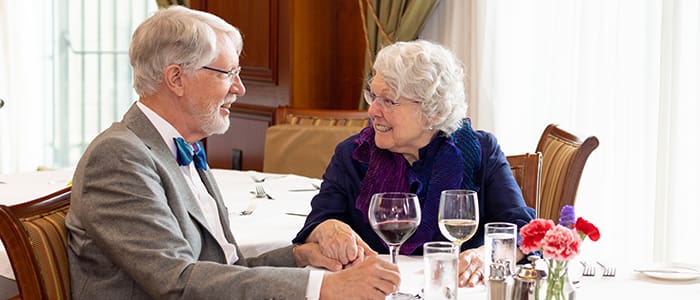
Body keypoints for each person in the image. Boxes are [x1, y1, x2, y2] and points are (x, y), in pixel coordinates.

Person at [65, 6, 400, 300]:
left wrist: (301, 257)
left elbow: (225, 269)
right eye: (228, 74)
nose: (239, 88)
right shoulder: (119, 157)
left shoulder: (183, 147)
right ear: (177, 79)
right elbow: (177, 283)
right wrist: (325, 289)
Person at [293, 40, 535, 287]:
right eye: (373, 96)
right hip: (375, 292)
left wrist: (487, 255)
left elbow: (523, 229)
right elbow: (315, 224)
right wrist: (327, 227)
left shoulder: (481, 151)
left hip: (455, 290)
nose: (372, 111)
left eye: (388, 101)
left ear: (434, 112)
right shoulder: (353, 154)